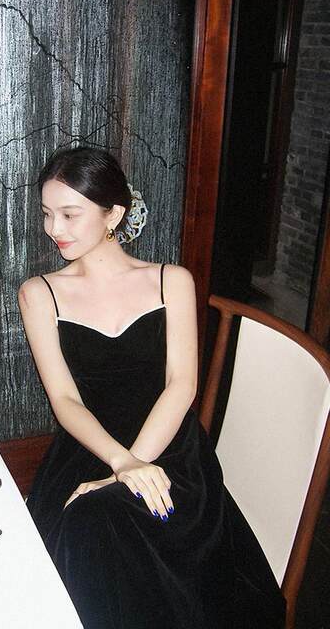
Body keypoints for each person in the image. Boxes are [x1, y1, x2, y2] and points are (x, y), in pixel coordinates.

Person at [18, 147, 285, 628]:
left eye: (70, 214)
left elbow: (182, 386)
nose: (54, 228)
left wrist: (135, 464)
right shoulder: (39, 293)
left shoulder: (171, 281)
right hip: (90, 444)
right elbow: (64, 399)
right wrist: (120, 463)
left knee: (107, 522)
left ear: (113, 214)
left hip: (170, 447)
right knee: (86, 524)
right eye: (46, 213)